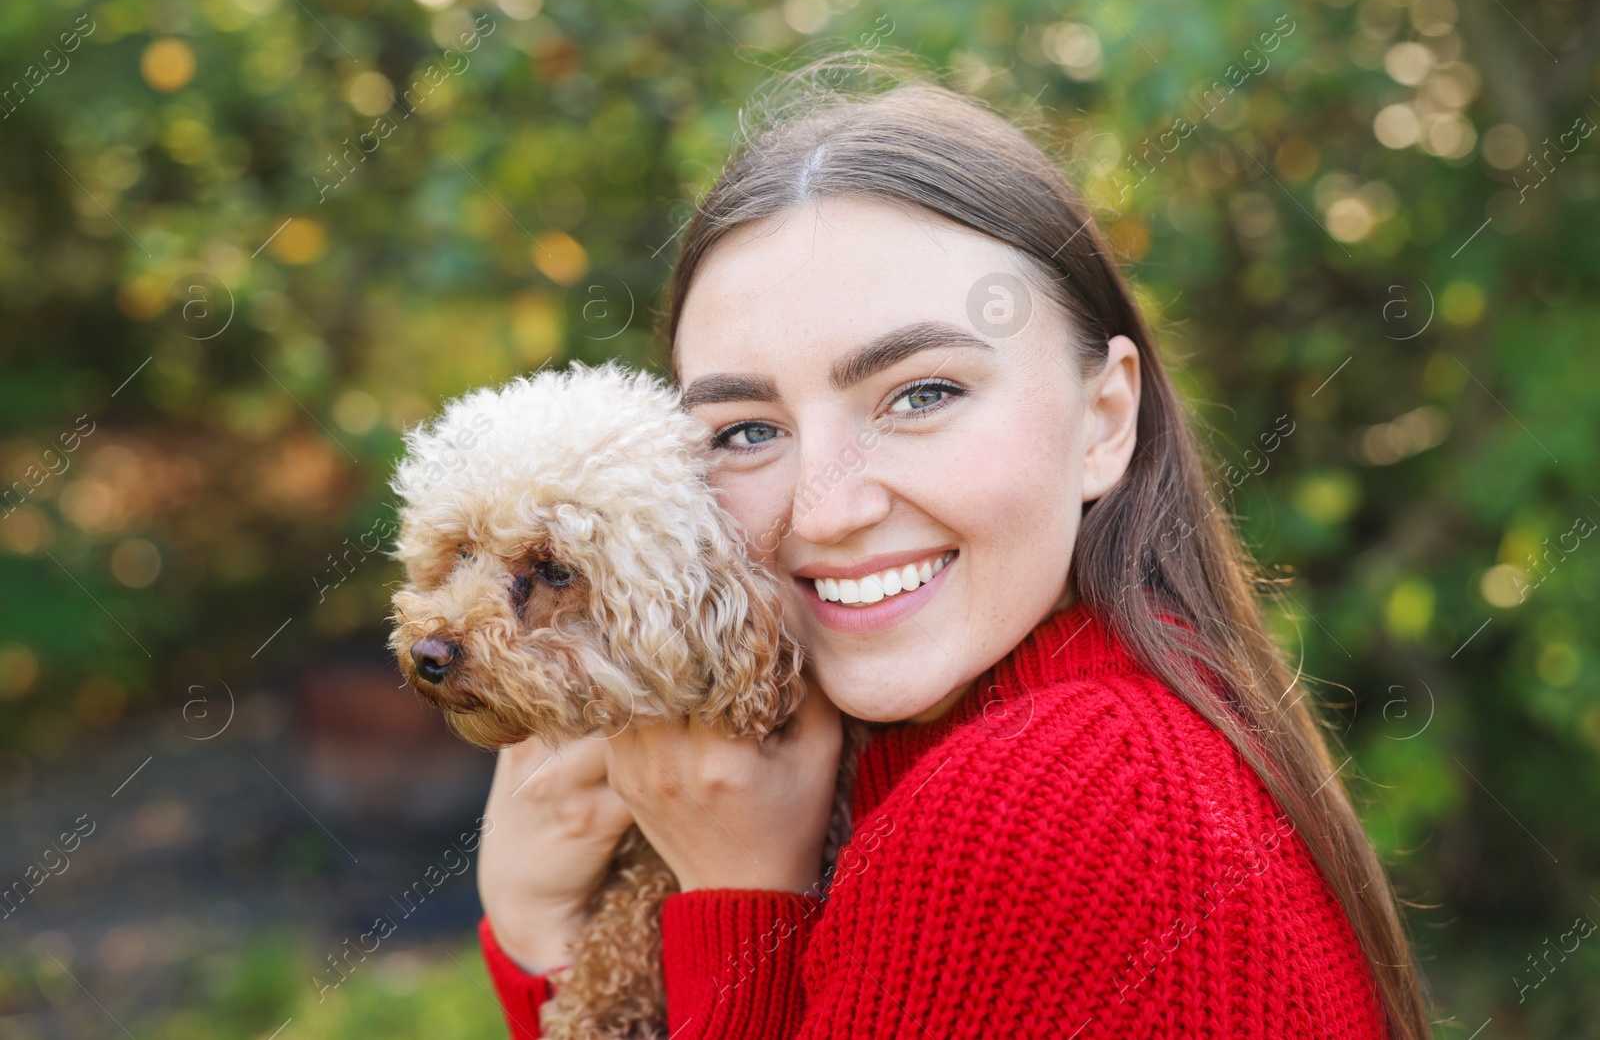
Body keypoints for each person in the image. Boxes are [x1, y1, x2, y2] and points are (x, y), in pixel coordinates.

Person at [472, 55, 1433, 1039]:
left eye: (920, 394)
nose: (827, 508)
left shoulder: (1044, 803)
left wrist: (737, 900)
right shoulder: (1082, 734)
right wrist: (553, 934)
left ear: (1104, 420)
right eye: (745, 430)